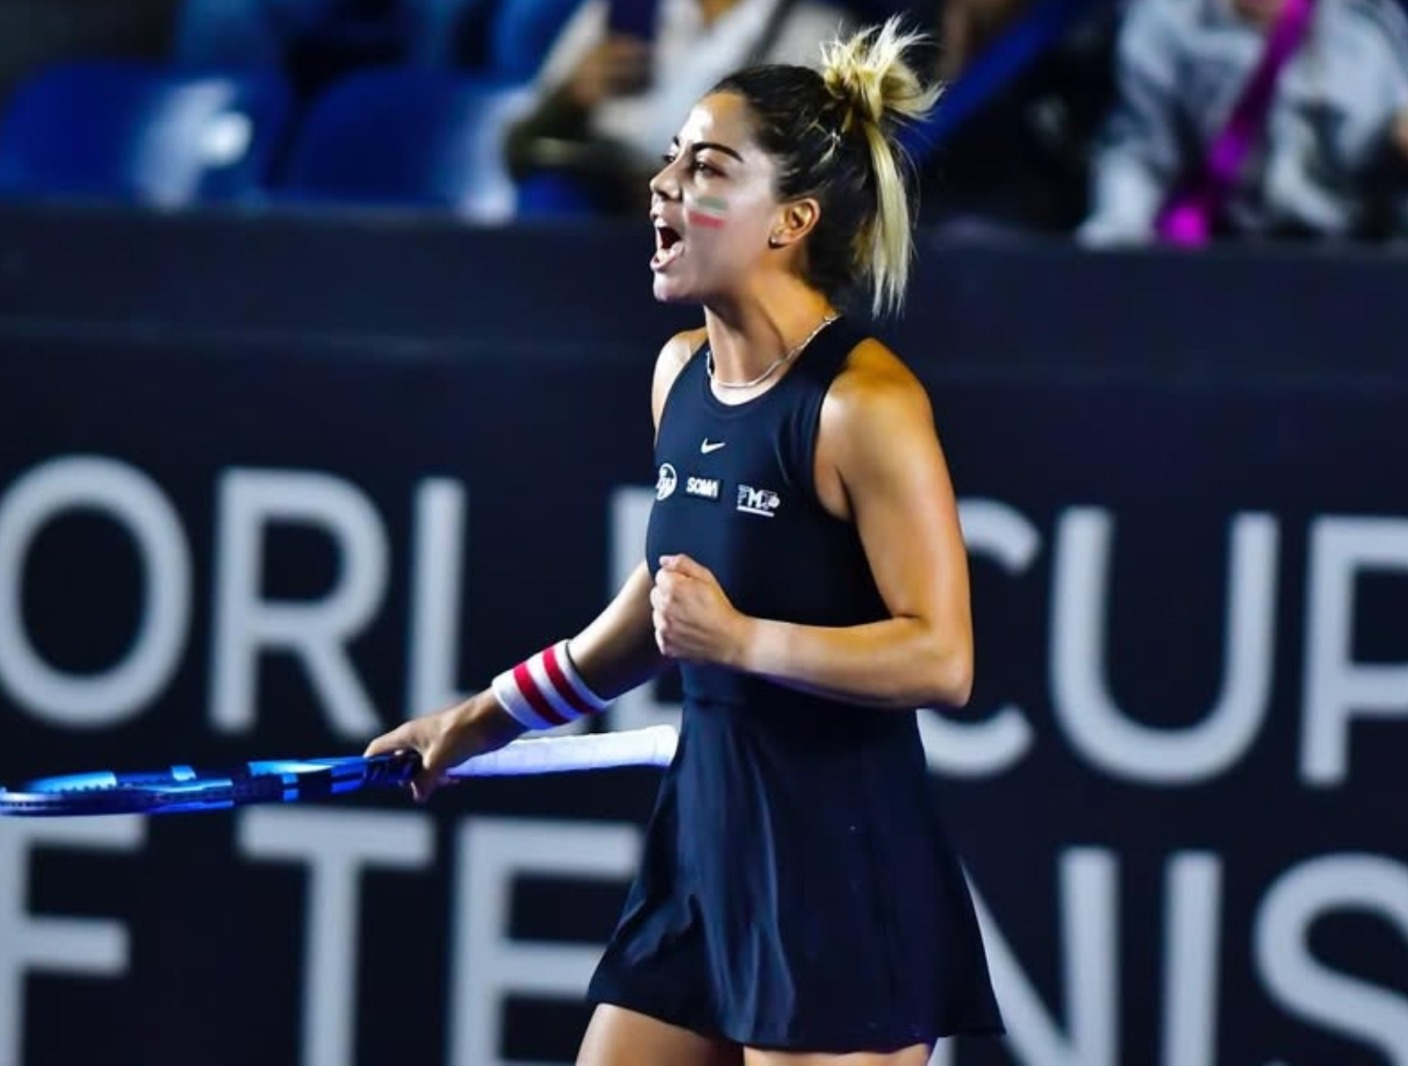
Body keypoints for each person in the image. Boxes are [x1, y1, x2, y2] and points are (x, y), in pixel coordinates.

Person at [367, 19, 1004, 1065]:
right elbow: (657, 610)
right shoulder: (679, 376)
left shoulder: (864, 405)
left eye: (706, 168)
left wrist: (743, 641)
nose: (664, 185)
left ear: (790, 220)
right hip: (705, 846)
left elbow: (941, 658)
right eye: (670, 158)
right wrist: (477, 722)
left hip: (839, 874)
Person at [1077, 0, 1408, 247]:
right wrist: (1114, 250)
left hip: (1344, 258)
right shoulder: (1165, 22)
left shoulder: (1366, 26)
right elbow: (1140, 156)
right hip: (1214, 255)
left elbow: (1387, 147)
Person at [501, 0, 851, 214]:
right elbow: (518, 146)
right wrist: (571, 95)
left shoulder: (814, 32)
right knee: (549, 198)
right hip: (604, 199)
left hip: (719, 216)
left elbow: (815, 188)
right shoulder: (622, 12)